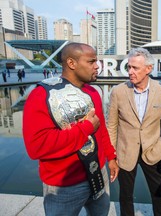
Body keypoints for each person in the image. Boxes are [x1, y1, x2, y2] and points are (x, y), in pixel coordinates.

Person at [23, 42, 119, 216]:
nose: (97, 66)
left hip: (99, 174)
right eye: (91, 61)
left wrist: (111, 157)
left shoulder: (93, 91)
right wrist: (86, 128)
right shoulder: (41, 95)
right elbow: (36, 146)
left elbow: (101, 129)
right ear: (71, 63)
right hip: (63, 186)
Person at [107, 47, 161, 216]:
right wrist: (111, 156)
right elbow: (111, 125)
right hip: (125, 151)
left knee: (159, 193)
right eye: (129, 67)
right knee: (125, 195)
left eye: (135, 68)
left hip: (153, 150)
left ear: (148, 69)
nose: (130, 71)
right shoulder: (118, 92)